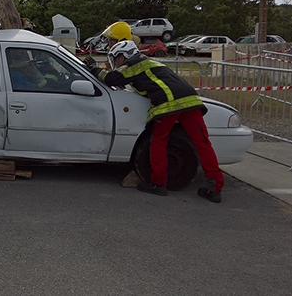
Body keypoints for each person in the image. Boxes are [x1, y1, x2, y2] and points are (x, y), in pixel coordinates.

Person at [84, 40, 224, 203]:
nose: (115, 63)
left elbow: (112, 78)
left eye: (115, 59)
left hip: (168, 103)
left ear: (122, 56)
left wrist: (93, 67)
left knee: (158, 141)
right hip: (191, 101)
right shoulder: (149, 62)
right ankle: (214, 188)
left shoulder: (134, 64)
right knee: (203, 143)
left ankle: (158, 184)